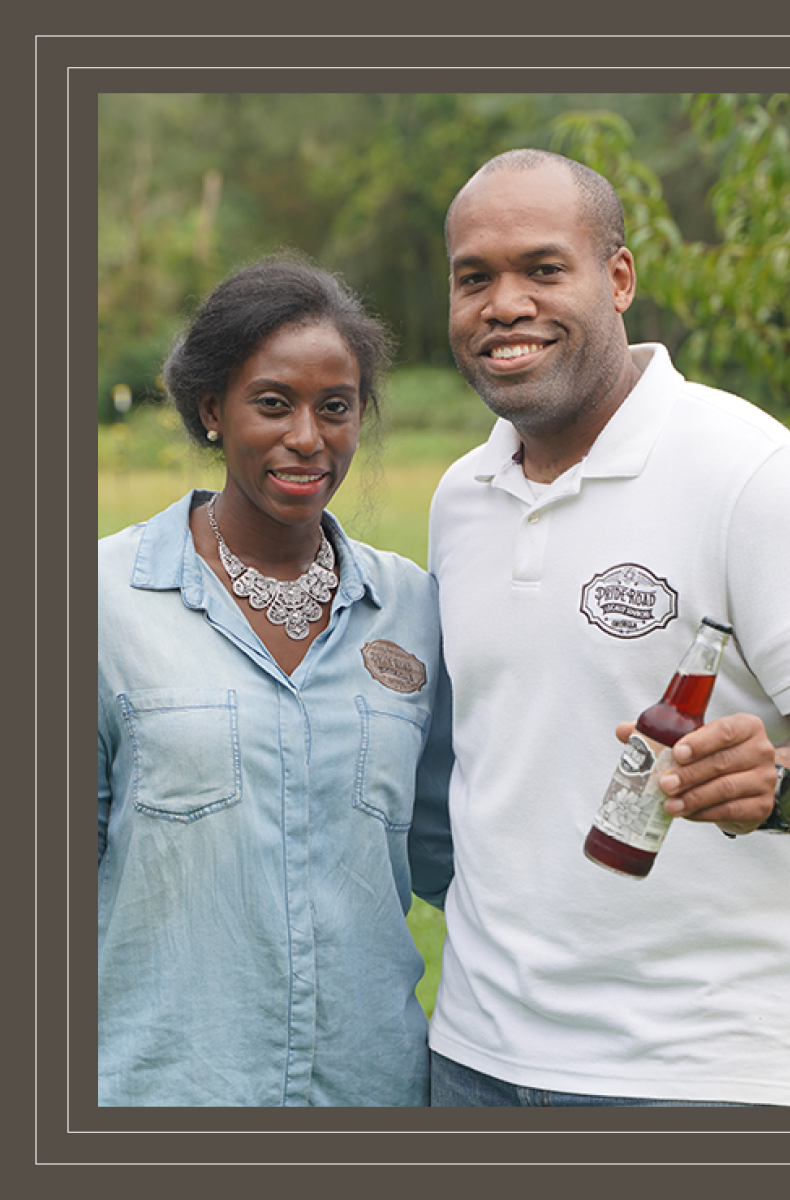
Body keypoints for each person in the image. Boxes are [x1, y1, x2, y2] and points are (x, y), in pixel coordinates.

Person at [426, 149, 790, 1107]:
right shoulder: (461, 496)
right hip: (474, 1055)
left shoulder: (753, 472)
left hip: (696, 1070)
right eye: (475, 278)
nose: (504, 303)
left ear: (620, 277)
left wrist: (781, 788)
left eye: (543, 269)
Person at [97, 254, 453, 1107]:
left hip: (369, 1095)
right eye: (273, 403)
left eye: (336, 407)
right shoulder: (101, 601)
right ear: (211, 409)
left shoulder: (412, 608)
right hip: (162, 1095)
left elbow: (458, 850)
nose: (308, 437)